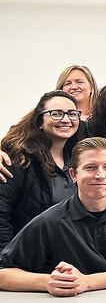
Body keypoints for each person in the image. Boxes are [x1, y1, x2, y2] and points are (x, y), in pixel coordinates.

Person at [0, 137, 106, 297]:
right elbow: (3, 273)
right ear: (73, 175)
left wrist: (87, 282)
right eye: (90, 167)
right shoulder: (52, 220)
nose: (100, 175)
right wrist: (47, 282)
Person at [0, 91, 83, 249]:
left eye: (73, 114)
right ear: (39, 122)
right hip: (27, 259)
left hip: (69, 255)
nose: (66, 119)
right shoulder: (19, 158)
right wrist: (5, 261)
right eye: (56, 114)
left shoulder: (78, 159)